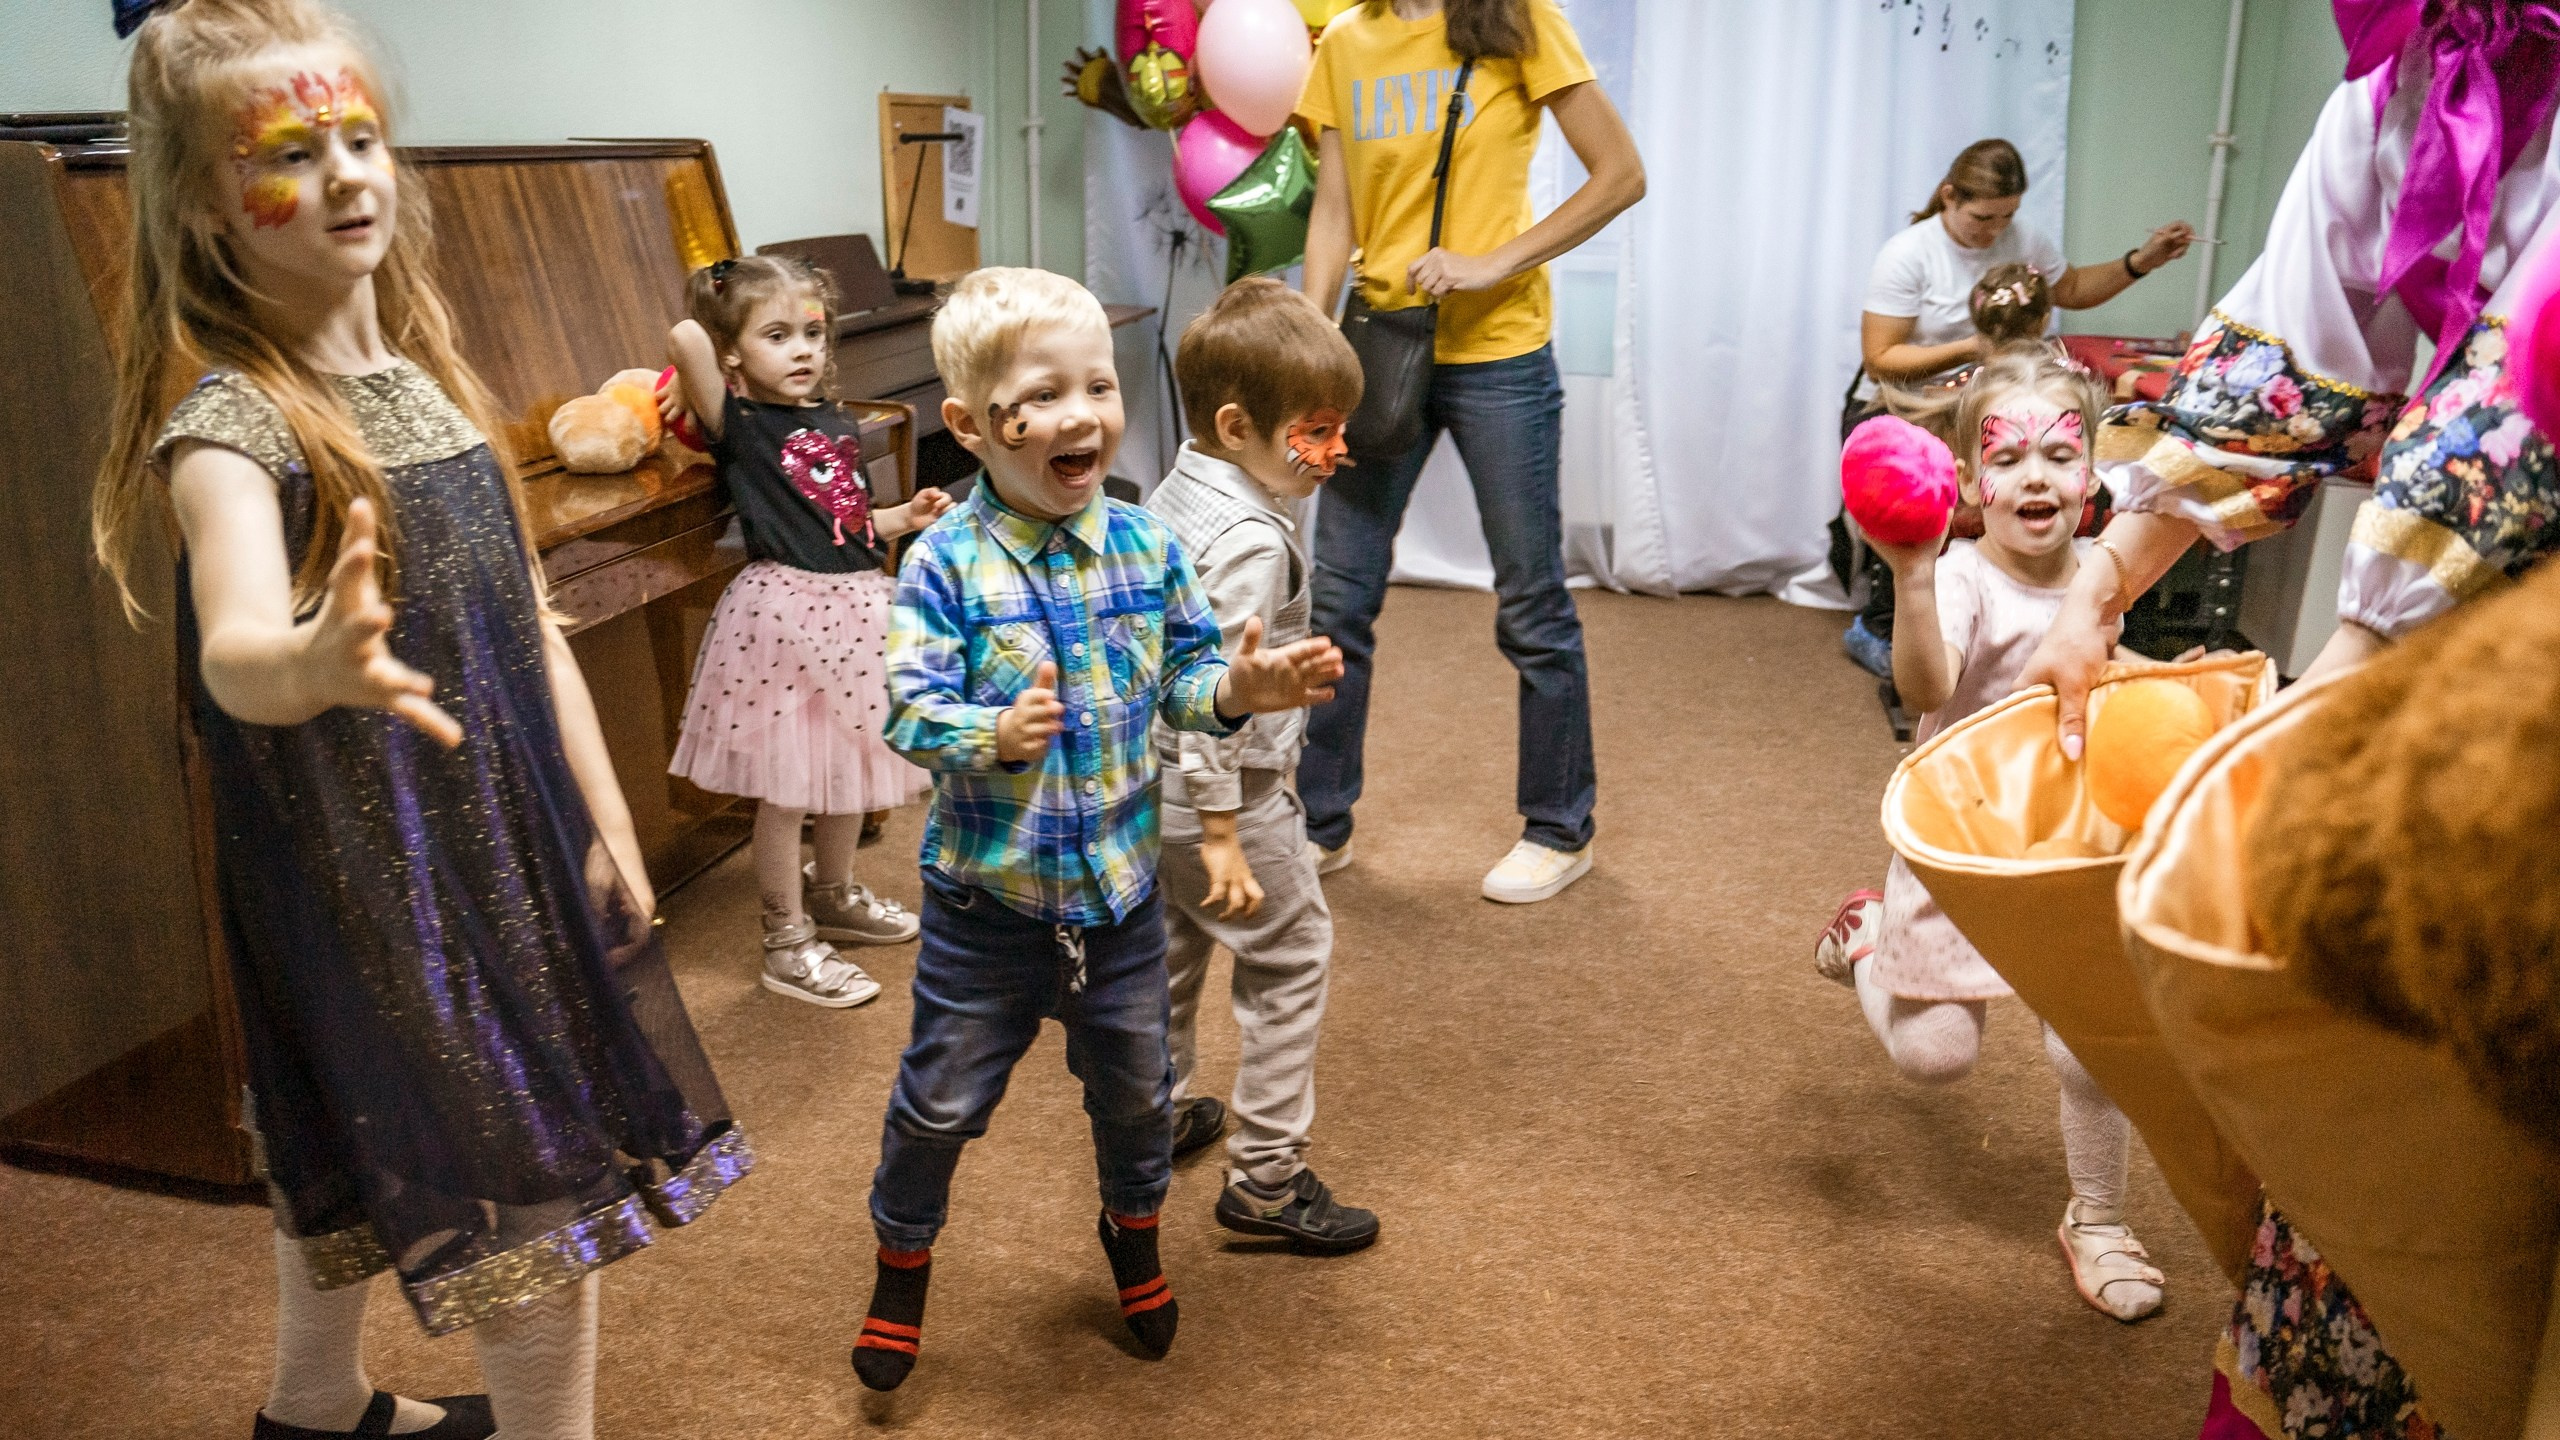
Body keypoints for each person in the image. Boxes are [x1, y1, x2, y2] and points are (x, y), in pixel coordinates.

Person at [89, 3, 749, 1435]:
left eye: (358, 136)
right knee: (530, 1187)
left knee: (355, 1133)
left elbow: (534, 626)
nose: (343, 174)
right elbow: (241, 647)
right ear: (206, 205)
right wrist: (307, 664)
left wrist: (611, 820)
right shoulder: (233, 426)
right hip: (377, 883)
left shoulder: (429, 384)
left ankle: (312, 1407)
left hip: (501, 857)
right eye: (288, 152)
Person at [2017, 7, 2560, 1429]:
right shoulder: (2413, 82)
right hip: (2438, 662)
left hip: (2514, 689)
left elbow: (2515, 411)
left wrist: (2356, 676)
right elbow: (2286, 346)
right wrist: (2103, 575)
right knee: (2392, 1107)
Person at [852, 268, 1346, 1391]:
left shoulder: (1146, 547)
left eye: (1100, 385)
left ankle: (1133, 1238)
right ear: (973, 425)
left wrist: (1235, 691)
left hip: (1121, 908)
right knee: (937, 1108)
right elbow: (906, 710)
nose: (1082, 414)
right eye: (1046, 394)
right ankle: (901, 1259)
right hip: (988, 916)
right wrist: (990, 733)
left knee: (1137, 1100)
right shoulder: (943, 564)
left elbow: (1181, 679)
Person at [1812, 349, 2165, 1323]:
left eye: (2060, 453)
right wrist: (1914, 578)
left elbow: (2102, 662)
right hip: (1957, 847)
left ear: (2091, 475)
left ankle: (2096, 1220)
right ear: (1969, 481)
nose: (2035, 477)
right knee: (1934, 1058)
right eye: (2007, 460)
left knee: (2090, 1050)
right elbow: (1925, 688)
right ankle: (1868, 937)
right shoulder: (1963, 578)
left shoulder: (2104, 574)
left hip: (2067, 847)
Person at [1297, 0, 1645, 904]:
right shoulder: (1345, 39)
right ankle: (1318, 823)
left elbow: (1619, 175)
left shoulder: (1518, 18)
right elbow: (1334, 209)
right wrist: (1310, 345)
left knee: (1531, 600)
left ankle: (1559, 830)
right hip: (1379, 351)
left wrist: (1498, 261)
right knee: (1336, 601)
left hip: (1502, 360)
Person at [1149, 278, 1381, 1253]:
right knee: (1289, 963)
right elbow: (1211, 702)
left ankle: (1151, 1116)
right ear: (1238, 424)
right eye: (1318, 430)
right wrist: (1221, 834)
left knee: (1168, 953)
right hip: (1229, 802)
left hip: (1141, 796)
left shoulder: (1176, 489)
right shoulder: (1250, 540)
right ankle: (1268, 1181)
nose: (1338, 453)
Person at [661, 255, 950, 1009]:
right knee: (788, 791)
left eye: (813, 334)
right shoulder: (742, 421)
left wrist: (902, 518)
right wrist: (710, 332)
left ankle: (836, 892)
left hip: (855, 607)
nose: (802, 351)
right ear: (733, 355)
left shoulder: (837, 421)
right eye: (777, 335)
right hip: (783, 619)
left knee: (851, 766)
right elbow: (686, 332)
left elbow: (849, 524)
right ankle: (785, 939)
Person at [1840, 138, 2192, 682]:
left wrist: (2139, 262)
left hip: (1998, 393)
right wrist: (1973, 353)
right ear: (1949, 197)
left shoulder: (2021, 239)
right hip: (1914, 398)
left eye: (2007, 217)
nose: (1994, 231)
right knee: (1918, 485)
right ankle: (1888, 619)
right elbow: (1882, 357)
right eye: (1982, 217)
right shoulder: (1909, 254)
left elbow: (2070, 287)